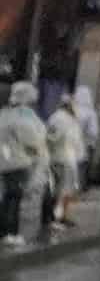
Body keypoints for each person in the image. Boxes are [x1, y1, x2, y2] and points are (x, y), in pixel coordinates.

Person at [0, 83, 45, 244]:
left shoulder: (4, 114)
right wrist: (37, 154)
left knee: (6, 196)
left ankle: (4, 232)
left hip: (4, 162)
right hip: (17, 163)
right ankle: (10, 233)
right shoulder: (21, 117)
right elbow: (32, 141)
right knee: (14, 198)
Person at [42, 91, 86, 229]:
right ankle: (54, 218)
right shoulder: (61, 119)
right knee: (61, 190)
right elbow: (54, 137)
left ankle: (55, 217)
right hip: (64, 158)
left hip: (63, 158)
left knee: (58, 189)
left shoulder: (64, 118)